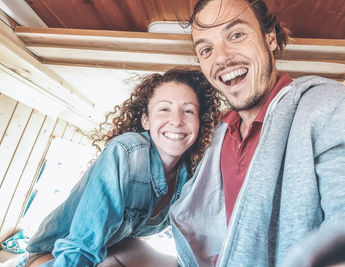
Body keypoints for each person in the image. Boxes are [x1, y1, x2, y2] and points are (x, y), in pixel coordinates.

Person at [168, 0, 345, 266]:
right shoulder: (215, 136)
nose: (221, 58)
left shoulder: (334, 107)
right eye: (206, 49)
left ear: (270, 38)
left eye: (236, 35)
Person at [25, 68, 222, 267]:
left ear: (200, 122)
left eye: (188, 111)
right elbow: (82, 246)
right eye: (164, 109)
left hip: (113, 249)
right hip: (55, 255)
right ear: (146, 120)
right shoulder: (127, 152)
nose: (177, 121)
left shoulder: (188, 178)